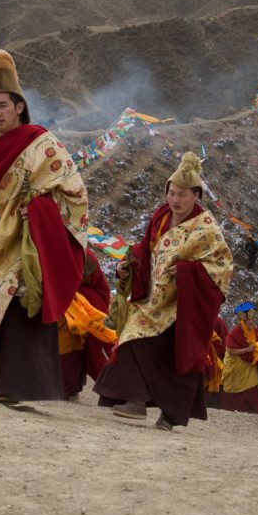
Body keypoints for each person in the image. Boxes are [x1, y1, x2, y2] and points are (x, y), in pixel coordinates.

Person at [0, 50, 88, 404]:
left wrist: (39, 212)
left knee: (22, 306)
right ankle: (7, 384)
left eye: (3, 106)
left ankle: (25, 388)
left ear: (19, 107)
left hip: (27, 240)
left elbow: (74, 194)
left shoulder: (42, 145)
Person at [94, 152, 234, 430]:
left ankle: (170, 416)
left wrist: (187, 272)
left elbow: (221, 267)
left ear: (196, 196)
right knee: (132, 337)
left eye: (182, 194)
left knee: (179, 356)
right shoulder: (161, 215)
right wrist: (129, 265)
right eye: (171, 193)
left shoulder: (206, 228)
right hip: (154, 297)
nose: (175, 200)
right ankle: (135, 400)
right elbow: (145, 248)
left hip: (183, 304)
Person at [58, 250, 114, 401]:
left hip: (84, 303)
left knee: (78, 346)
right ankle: (68, 388)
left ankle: (69, 388)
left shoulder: (84, 254)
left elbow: (83, 278)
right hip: (66, 303)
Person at [220, 302, 258, 414]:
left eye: (252, 321)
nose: (251, 324)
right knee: (235, 390)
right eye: (248, 322)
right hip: (236, 367)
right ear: (242, 322)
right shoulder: (234, 333)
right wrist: (247, 349)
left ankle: (254, 410)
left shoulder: (254, 331)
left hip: (250, 365)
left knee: (252, 386)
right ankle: (232, 410)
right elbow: (231, 350)